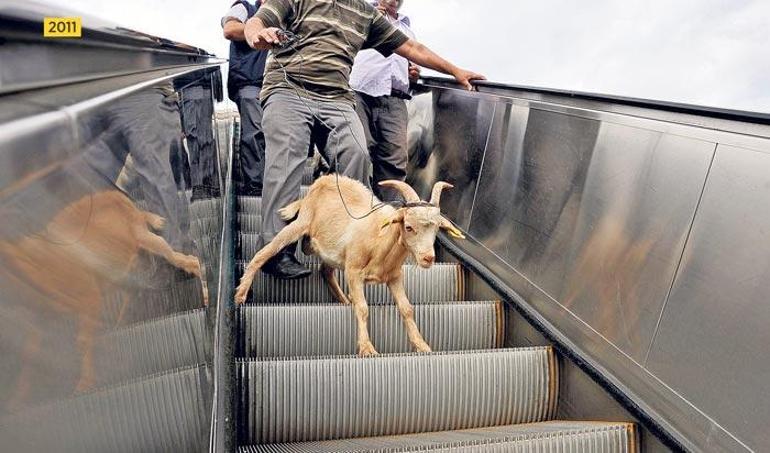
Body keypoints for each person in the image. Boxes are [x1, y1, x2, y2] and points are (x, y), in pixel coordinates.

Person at [245, 0, 485, 279]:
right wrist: (255, 34)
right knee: (287, 157)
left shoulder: (364, 12)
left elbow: (411, 48)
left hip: (336, 98)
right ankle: (278, 253)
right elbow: (257, 20)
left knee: (357, 154)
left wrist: (455, 70)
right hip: (288, 90)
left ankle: (344, 238)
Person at [349, 0, 420, 202]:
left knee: (395, 160)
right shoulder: (362, 11)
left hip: (395, 97)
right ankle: (353, 209)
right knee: (358, 151)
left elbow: (412, 59)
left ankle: (389, 215)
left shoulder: (407, 29)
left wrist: (413, 73)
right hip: (360, 92)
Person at [222, 1, 270, 197]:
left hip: (274, 84)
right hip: (249, 81)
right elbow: (230, 29)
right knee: (255, 131)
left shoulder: (285, 13)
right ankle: (254, 187)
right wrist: (259, 30)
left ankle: (266, 184)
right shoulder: (244, 8)